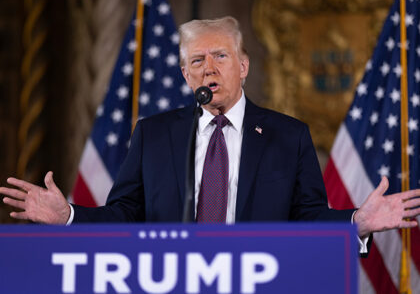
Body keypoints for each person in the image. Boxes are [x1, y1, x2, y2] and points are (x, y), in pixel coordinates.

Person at [1, 17, 420, 247]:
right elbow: (124, 213)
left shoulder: (288, 135)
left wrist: (357, 223)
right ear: (186, 75)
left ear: (243, 66)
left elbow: (306, 217)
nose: (209, 68)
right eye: (197, 60)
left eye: (221, 55)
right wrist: (69, 216)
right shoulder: (154, 134)